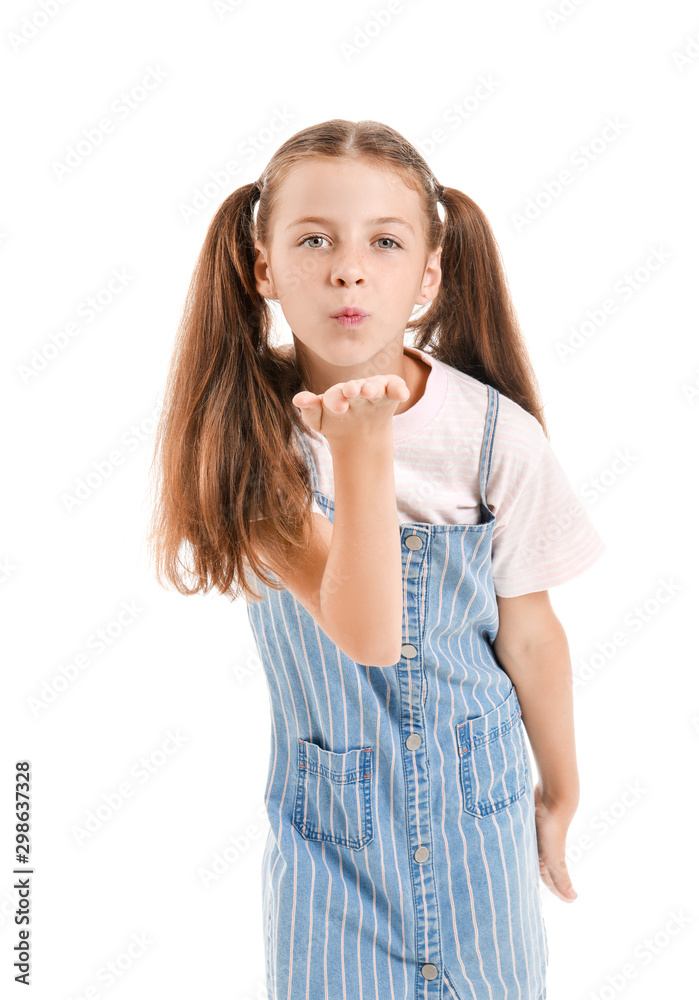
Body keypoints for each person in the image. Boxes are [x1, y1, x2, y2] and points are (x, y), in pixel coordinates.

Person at [147, 119, 605, 1000]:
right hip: (333, 842)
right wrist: (360, 451)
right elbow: (366, 633)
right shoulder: (247, 441)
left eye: (384, 243)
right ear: (263, 269)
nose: (348, 268)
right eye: (313, 239)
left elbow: (532, 635)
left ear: (427, 275)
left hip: (483, 820)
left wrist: (562, 788)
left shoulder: (491, 434)